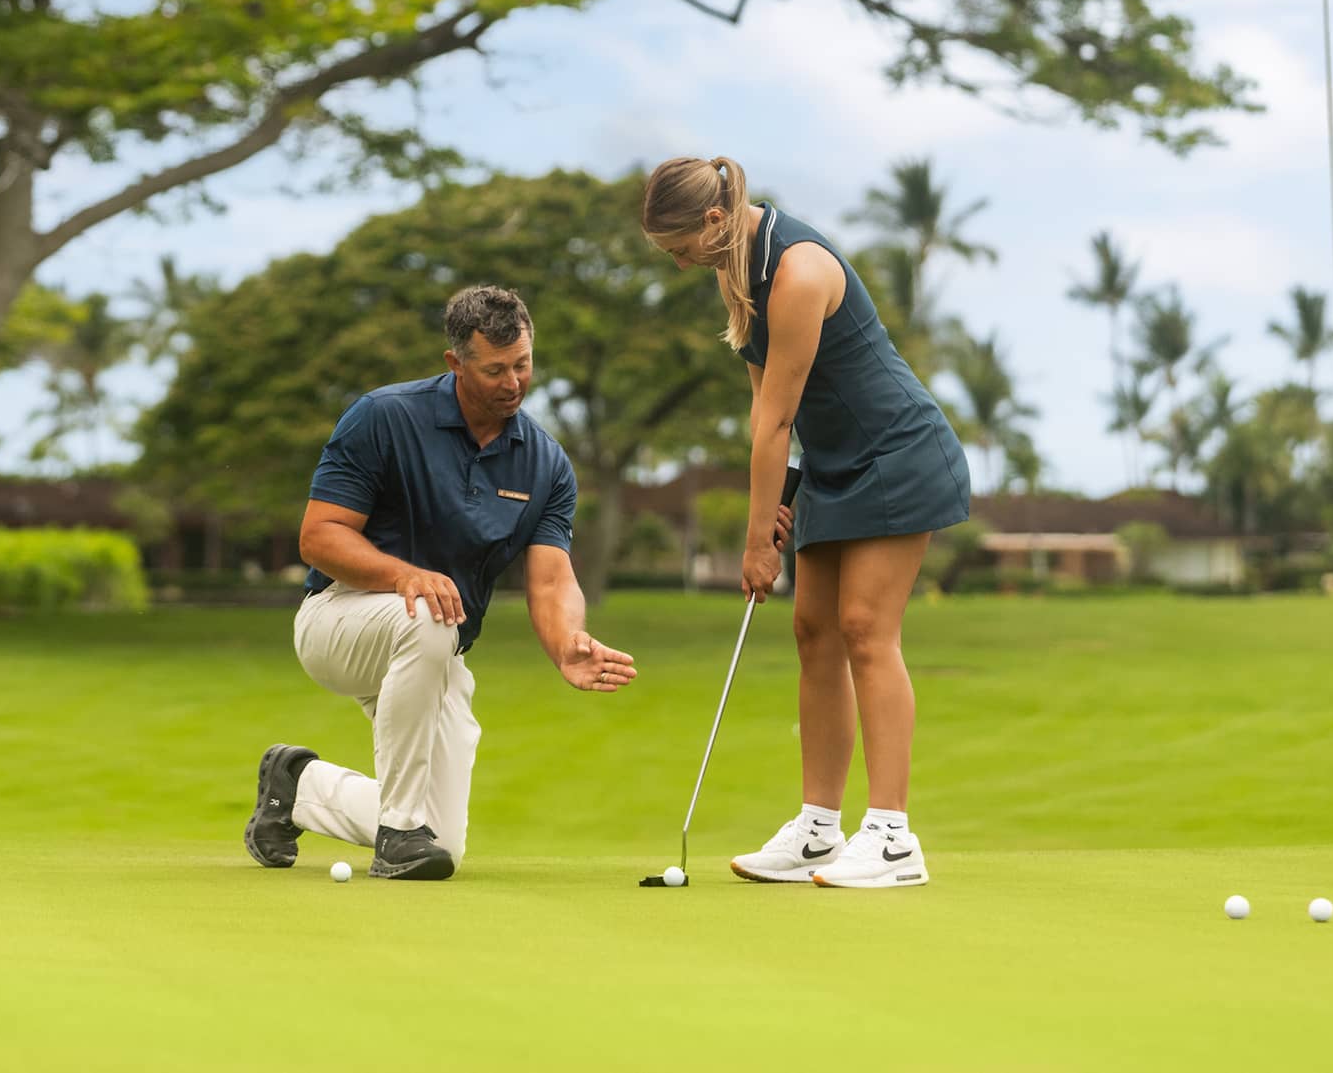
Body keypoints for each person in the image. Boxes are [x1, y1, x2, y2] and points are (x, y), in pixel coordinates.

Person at [642, 156, 971, 890]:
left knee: (863, 627)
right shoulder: (742, 272)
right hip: (832, 463)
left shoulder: (796, 271)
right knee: (811, 629)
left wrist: (759, 542)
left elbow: (774, 418)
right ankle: (820, 829)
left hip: (897, 453)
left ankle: (891, 836)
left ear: (714, 220)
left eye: (678, 246)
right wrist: (783, 495)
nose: (678, 261)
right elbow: (771, 409)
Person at [243, 284, 635, 881]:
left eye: (523, 365)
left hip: (434, 645)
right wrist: (404, 575)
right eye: (495, 369)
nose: (513, 382)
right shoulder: (382, 416)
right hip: (337, 619)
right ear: (455, 362)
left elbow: (553, 581)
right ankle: (396, 832)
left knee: (444, 842)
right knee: (429, 615)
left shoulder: (547, 464)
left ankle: (297, 786)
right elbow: (319, 537)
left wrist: (566, 644)